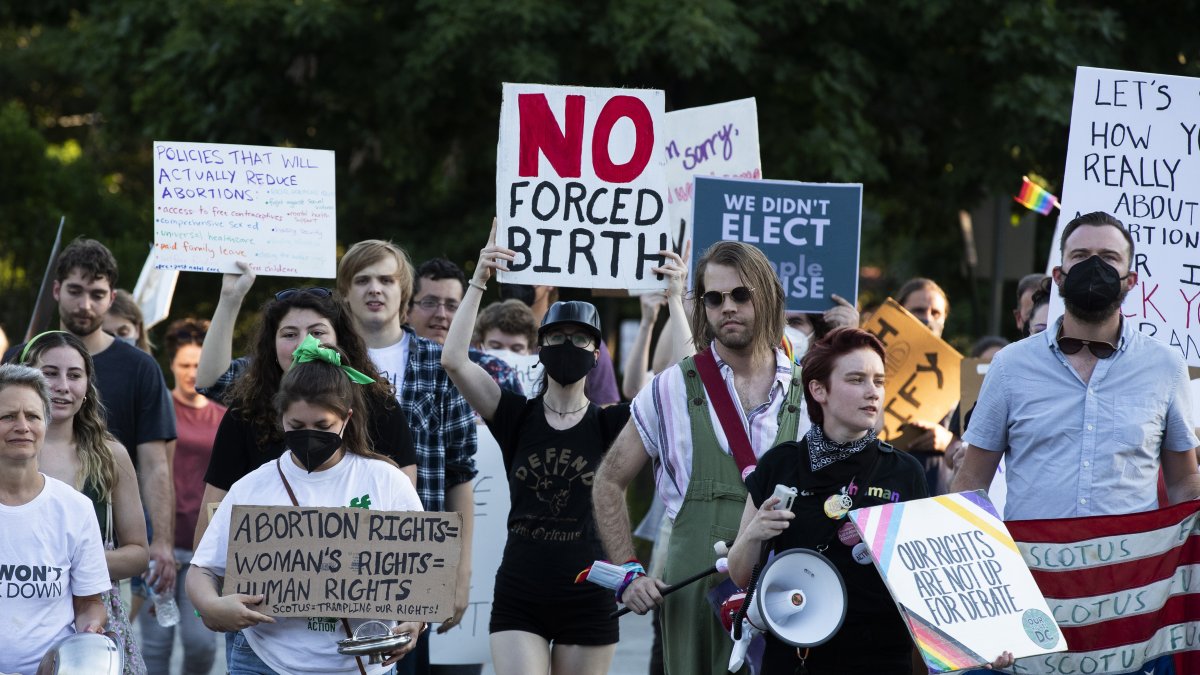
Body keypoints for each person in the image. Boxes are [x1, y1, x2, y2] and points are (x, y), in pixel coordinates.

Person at [444, 225, 680, 673]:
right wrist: (478, 279)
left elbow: (685, 378)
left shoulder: (614, 423)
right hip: (520, 594)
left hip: (589, 597)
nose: (567, 346)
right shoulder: (513, 414)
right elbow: (455, 359)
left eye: (580, 339)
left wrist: (677, 301)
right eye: (555, 338)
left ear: (597, 354)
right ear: (540, 349)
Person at [593, 240, 809, 675]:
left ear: (767, 295)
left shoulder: (810, 393)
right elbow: (608, 481)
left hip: (783, 586)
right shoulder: (669, 387)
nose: (727, 307)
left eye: (740, 295)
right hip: (691, 585)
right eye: (714, 298)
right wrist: (629, 573)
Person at [188, 338, 424, 675]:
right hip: (264, 663)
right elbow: (202, 569)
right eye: (297, 427)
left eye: (323, 426)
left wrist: (413, 622)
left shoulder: (386, 481)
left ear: (347, 418)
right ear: (281, 417)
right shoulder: (252, 487)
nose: (309, 435)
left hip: (361, 665)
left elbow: (421, 570)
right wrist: (211, 606)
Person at [953, 211, 1200, 519]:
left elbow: (1183, 482)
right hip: (1032, 564)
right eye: (1080, 256)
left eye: (1109, 257)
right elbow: (972, 480)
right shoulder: (1010, 366)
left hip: (1132, 565)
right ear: (1058, 275)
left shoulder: (1166, 366)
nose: (1094, 267)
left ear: (1131, 280)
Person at [728, 329, 928, 673]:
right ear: (818, 390)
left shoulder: (904, 471)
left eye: (878, 381)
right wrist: (755, 533)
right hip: (796, 654)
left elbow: (926, 581)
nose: (872, 392)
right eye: (857, 379)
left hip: (879, 656)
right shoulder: (781, 464)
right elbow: (741, 575)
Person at [3, 239, 178, 611]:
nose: (61, 387)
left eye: (96, 293)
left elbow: (155, 464)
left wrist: (162, 540)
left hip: (95, 599)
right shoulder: (11, 431)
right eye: (48, 373)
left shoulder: (138, 370)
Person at [336, 241, 478, 674]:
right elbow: (213, 385)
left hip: (416, 557)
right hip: (332, 555)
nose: (374, 289)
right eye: (362, 280)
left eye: (386, 280)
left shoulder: (441, 365)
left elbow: (461, 474)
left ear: (404, 293)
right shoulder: (321, 362)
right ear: (344, 293)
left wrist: (459, 574)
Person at [196, 286, 418, 545]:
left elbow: (403, 511)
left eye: (317, 332)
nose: (304, 344)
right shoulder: (246, 410)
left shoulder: (380, 406)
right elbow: (214, 509)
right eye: (290, 334)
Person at [19, 331, 150, 674]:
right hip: (18, 607)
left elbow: (138, 553)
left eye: (74, 375)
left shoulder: (110, 455)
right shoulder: (10, 451)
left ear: (88, 384)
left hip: (92, 617)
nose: (62, 385)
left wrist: (79, 564)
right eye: (49, 373)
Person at [0, 364, 111, 675]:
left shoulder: (75, 508)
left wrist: (90, 631)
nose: (22, 426)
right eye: (8, 416)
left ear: (45, 424)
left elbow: (89, 602)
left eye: (33, 416)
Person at [138, 319, 223, 675]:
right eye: (184, 365)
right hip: (159, 543)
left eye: (197, 365)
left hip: (203, 544)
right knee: (156, 646)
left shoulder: (224, 416)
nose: (191, 372)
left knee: (201, 644)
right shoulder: (160, 409)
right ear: (171, 365)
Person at [407, 257, 523, 395]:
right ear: (406, 309)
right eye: (429, 303)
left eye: (452, 306)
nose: (441, 314)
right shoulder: (388, 363)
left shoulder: (498, 373)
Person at [500, 282, 621, 405]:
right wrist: (479, 284)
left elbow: (606, 406)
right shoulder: (489, 335)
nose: (518, 283)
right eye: (557, 337)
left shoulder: (589, 346)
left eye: (579, 338)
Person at [894, 277, 958, 494]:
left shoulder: (959, 373)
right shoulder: (874, 364)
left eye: (935, 313)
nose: (927, 319)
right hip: (885, 481)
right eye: (919, 310)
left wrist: (947, 440)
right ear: (899, 311)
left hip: (935, 486)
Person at [104, 289, 152, 353]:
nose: (117, 342)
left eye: (123, 333)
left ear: (137, 329)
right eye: (107, 336)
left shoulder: (148, 362)